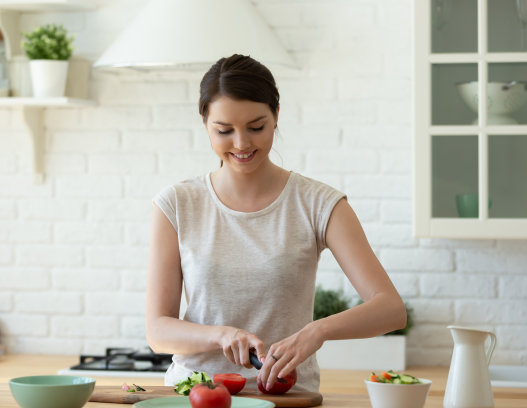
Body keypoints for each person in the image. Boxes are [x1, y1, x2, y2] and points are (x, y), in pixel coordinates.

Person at [145, 54, 406, 393]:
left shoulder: (319, 203)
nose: (241, 143)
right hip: (196, 394)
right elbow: (158, 331)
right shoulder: (177, 204)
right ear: (204, 121)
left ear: (276, 117)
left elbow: (390, 308)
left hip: (288, 399)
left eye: (256, 127)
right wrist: (222, 335)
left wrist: (317, 331)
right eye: (224, 130)